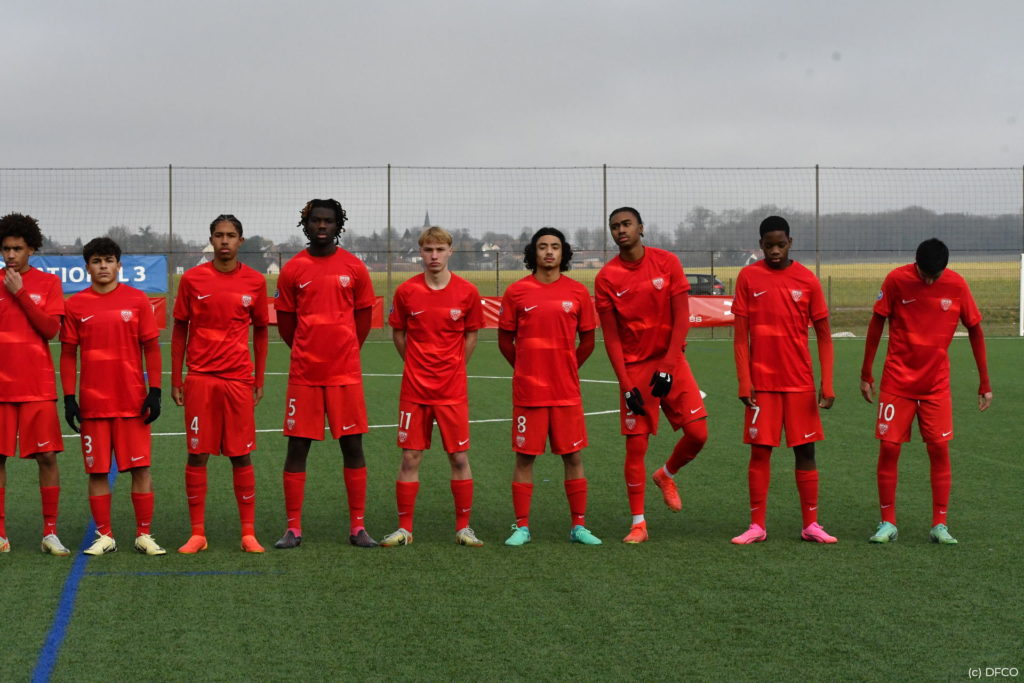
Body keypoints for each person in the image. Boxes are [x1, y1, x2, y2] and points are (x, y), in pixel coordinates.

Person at [860, 238, 991, 545]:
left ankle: (940, 524)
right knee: (889, 448)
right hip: (897, 382)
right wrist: (866, 372)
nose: (930, 281)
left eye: (936, 276)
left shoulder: (957, 285)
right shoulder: (896, 280)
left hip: (936, 385)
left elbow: (975, 329)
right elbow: (877, 323)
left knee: (939, 449)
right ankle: (888, 522)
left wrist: (984, 382)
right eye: (925, 275)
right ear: (915, 263)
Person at [594, 207, 707, 544]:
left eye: (626, 224)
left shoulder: (666, 262)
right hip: (635, 368)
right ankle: (638, 524)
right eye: (614, 226)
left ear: (641, 227)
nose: (620, 230)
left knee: (698, 434)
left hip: (671, 360)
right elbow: (611, 338)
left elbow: (682, 317)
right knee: (636, 447)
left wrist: (669, 366)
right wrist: (626, 384)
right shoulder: (606, 278)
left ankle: (666, 474)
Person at [273, 199, 377, 549]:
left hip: (345, 374)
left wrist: (343, 350)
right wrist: (308, 349)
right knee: (297, 446)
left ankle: (358, 527)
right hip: (305, 374)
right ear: (306, 224)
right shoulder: (293, 269)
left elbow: (363, 320)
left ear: (338, 225)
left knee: (353, 445)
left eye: (328, 221)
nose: (321, 226)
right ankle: (293, 528)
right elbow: (286, 324)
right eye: (316, 220)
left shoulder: (354, 267)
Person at [730, 215, 837, 545]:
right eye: (768, 245)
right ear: (760, 245)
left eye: (780, 244)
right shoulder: (748, 277)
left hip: (799, 383)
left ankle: (811, 524)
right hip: (762, 384)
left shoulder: (807, 280)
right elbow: (740, 337)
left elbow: (824, 336)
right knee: (760, 453)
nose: (775, 251)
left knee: (805, 452)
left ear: (790, 242)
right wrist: (744, 380)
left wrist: (827, 383)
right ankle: (756, 526)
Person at [380, 226, 484, 547]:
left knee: (459, 458)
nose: (434, 256)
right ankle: (404, 529)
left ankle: (464, 528)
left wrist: (455, 367)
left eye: (440, 249)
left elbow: (471, 334)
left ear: (450, 251)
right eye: (428, 250)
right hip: (415, 390)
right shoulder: (406, 292)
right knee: (410, 458)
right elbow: (398, 333)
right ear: (420, 253)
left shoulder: (467, 292)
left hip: (452, 391)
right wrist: (414, 364)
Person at [60, 237, 165, 556]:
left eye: (108, 260)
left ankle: (144, 534)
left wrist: (155, 391)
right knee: (97, 471)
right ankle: (105, 535)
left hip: (132, 403)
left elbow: (151, 348)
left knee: (141, 469)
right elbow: (68, 354)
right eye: (96, 261)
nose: (103, 266)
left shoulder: (137, 300)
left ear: (119, 265)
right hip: (93, 406)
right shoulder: (75, 305)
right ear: (87, 267)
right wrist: (69, 398)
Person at [172, 215, 269, 554]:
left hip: (238, 380)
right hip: (200, 378)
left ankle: (248, 533)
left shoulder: (255, 281)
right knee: (197, 453)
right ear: (211, 240)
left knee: (241, 455)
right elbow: (179, 329)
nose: (224, 240)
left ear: (241, 241)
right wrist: (176, 377)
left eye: (230, 235)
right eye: (218, 235)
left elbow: (261, 331)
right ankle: (197, 534)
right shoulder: (192, 279)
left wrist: (258, 378)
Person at [500, 227, 602, 546]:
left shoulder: (578, 292)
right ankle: (522, 527)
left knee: (573, 457)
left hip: (565, 392)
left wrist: (567, 367)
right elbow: (504, 341)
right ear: (533, 252)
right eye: (542, 246)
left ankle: (578, 526)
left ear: (563, 252)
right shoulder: (517, 292)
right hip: (529, 392)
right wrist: (526, 368)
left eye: (555, 246)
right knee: (524, 458)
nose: (548, 252)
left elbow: (588, 341)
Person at [0, 213, 70, 555]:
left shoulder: (48, 283)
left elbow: (50, 330)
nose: (11, 255)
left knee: (47, 456)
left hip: (37, 386)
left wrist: (21, 293)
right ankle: (0, 534)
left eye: (17, 248)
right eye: (6, 249)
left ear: (32, 249)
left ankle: (50, 533)